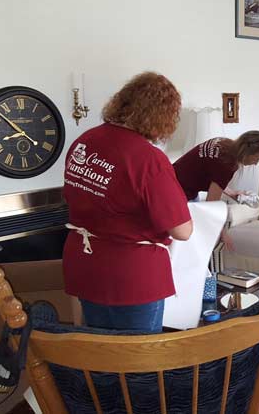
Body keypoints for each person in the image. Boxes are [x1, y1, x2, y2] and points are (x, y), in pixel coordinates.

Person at [62, 72, 193, 333]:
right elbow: (182, 230)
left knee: (99, 349)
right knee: (139, 355)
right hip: (131, 274)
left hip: (86, 263)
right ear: (162, 117)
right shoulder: (148, 159)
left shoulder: (85, 141)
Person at [173, 131, 259, 249]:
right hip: (178, 192)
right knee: (189, 237)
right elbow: (211, 205)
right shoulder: (227, 164)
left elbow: (215, 178)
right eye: (256, 159)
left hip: (172, 179)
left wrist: (232, 193)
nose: (255, 164)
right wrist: (222, 232)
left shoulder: (223, 142)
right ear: (247, 153)